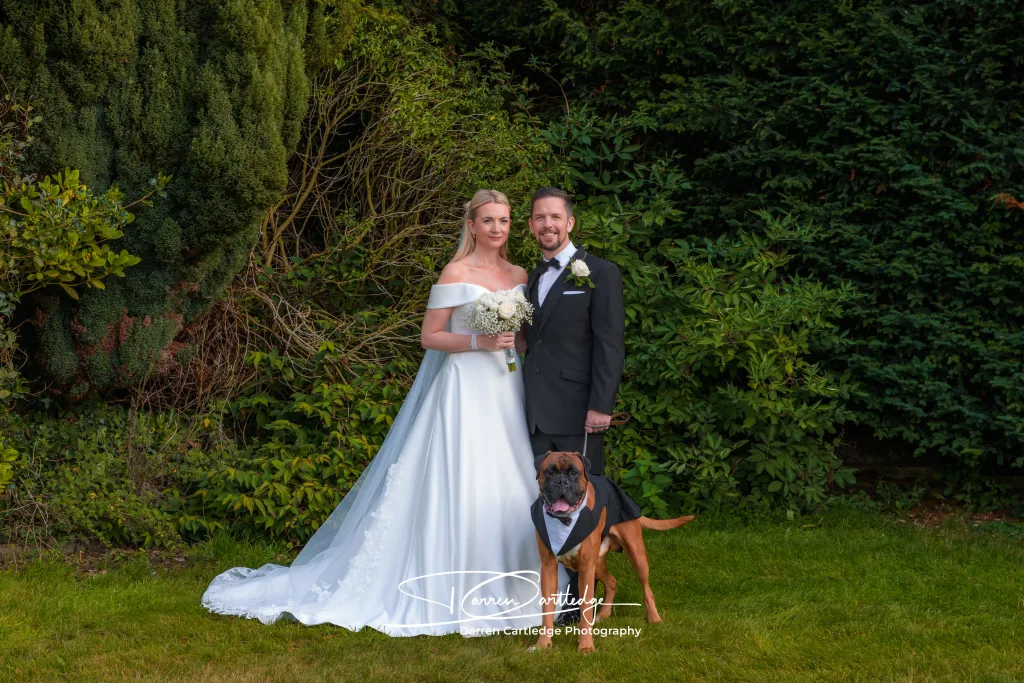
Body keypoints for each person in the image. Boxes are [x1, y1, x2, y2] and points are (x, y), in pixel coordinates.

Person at [201, 189, 545, 636]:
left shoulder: (519, 273)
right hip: (464, 390)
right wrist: (480, 341)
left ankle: (517, 586)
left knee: (508, 476)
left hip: (505, 388)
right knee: (459, 474)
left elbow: (519, 339)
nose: (497, 229)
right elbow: (430, 337)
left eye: (504, 221)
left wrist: (514, 344)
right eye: (488, 221)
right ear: (471, 225)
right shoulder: (455, 271)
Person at [522, 186, 632, 624]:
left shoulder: (600, 273)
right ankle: (552, 590)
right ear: (531, 225)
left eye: (555, 216)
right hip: (533, 411)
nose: (547, 224)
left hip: (579, 410)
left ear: (570, 222)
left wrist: (602, 404)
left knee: (583, 506)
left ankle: (577, 601)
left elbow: (610, 344)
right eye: (538, 217)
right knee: (548, 500)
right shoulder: (531, 277)